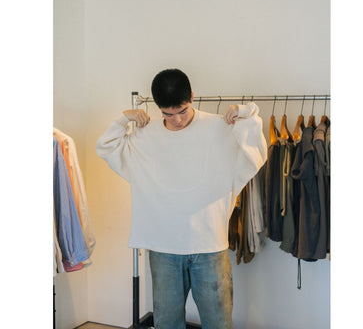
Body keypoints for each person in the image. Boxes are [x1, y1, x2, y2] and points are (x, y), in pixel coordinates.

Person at [96, 68, 268, 329]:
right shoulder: (146, 134)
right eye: (167, 114)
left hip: (209, 245)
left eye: (182, 111)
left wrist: (243, 113)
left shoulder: (219, 127)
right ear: (158, 108)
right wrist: (123, 119)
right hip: (163, 247)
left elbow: (256, 151)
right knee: (166, 323)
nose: (176, 119)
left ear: (192, 98)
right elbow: (106, 147)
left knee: (219, 322)